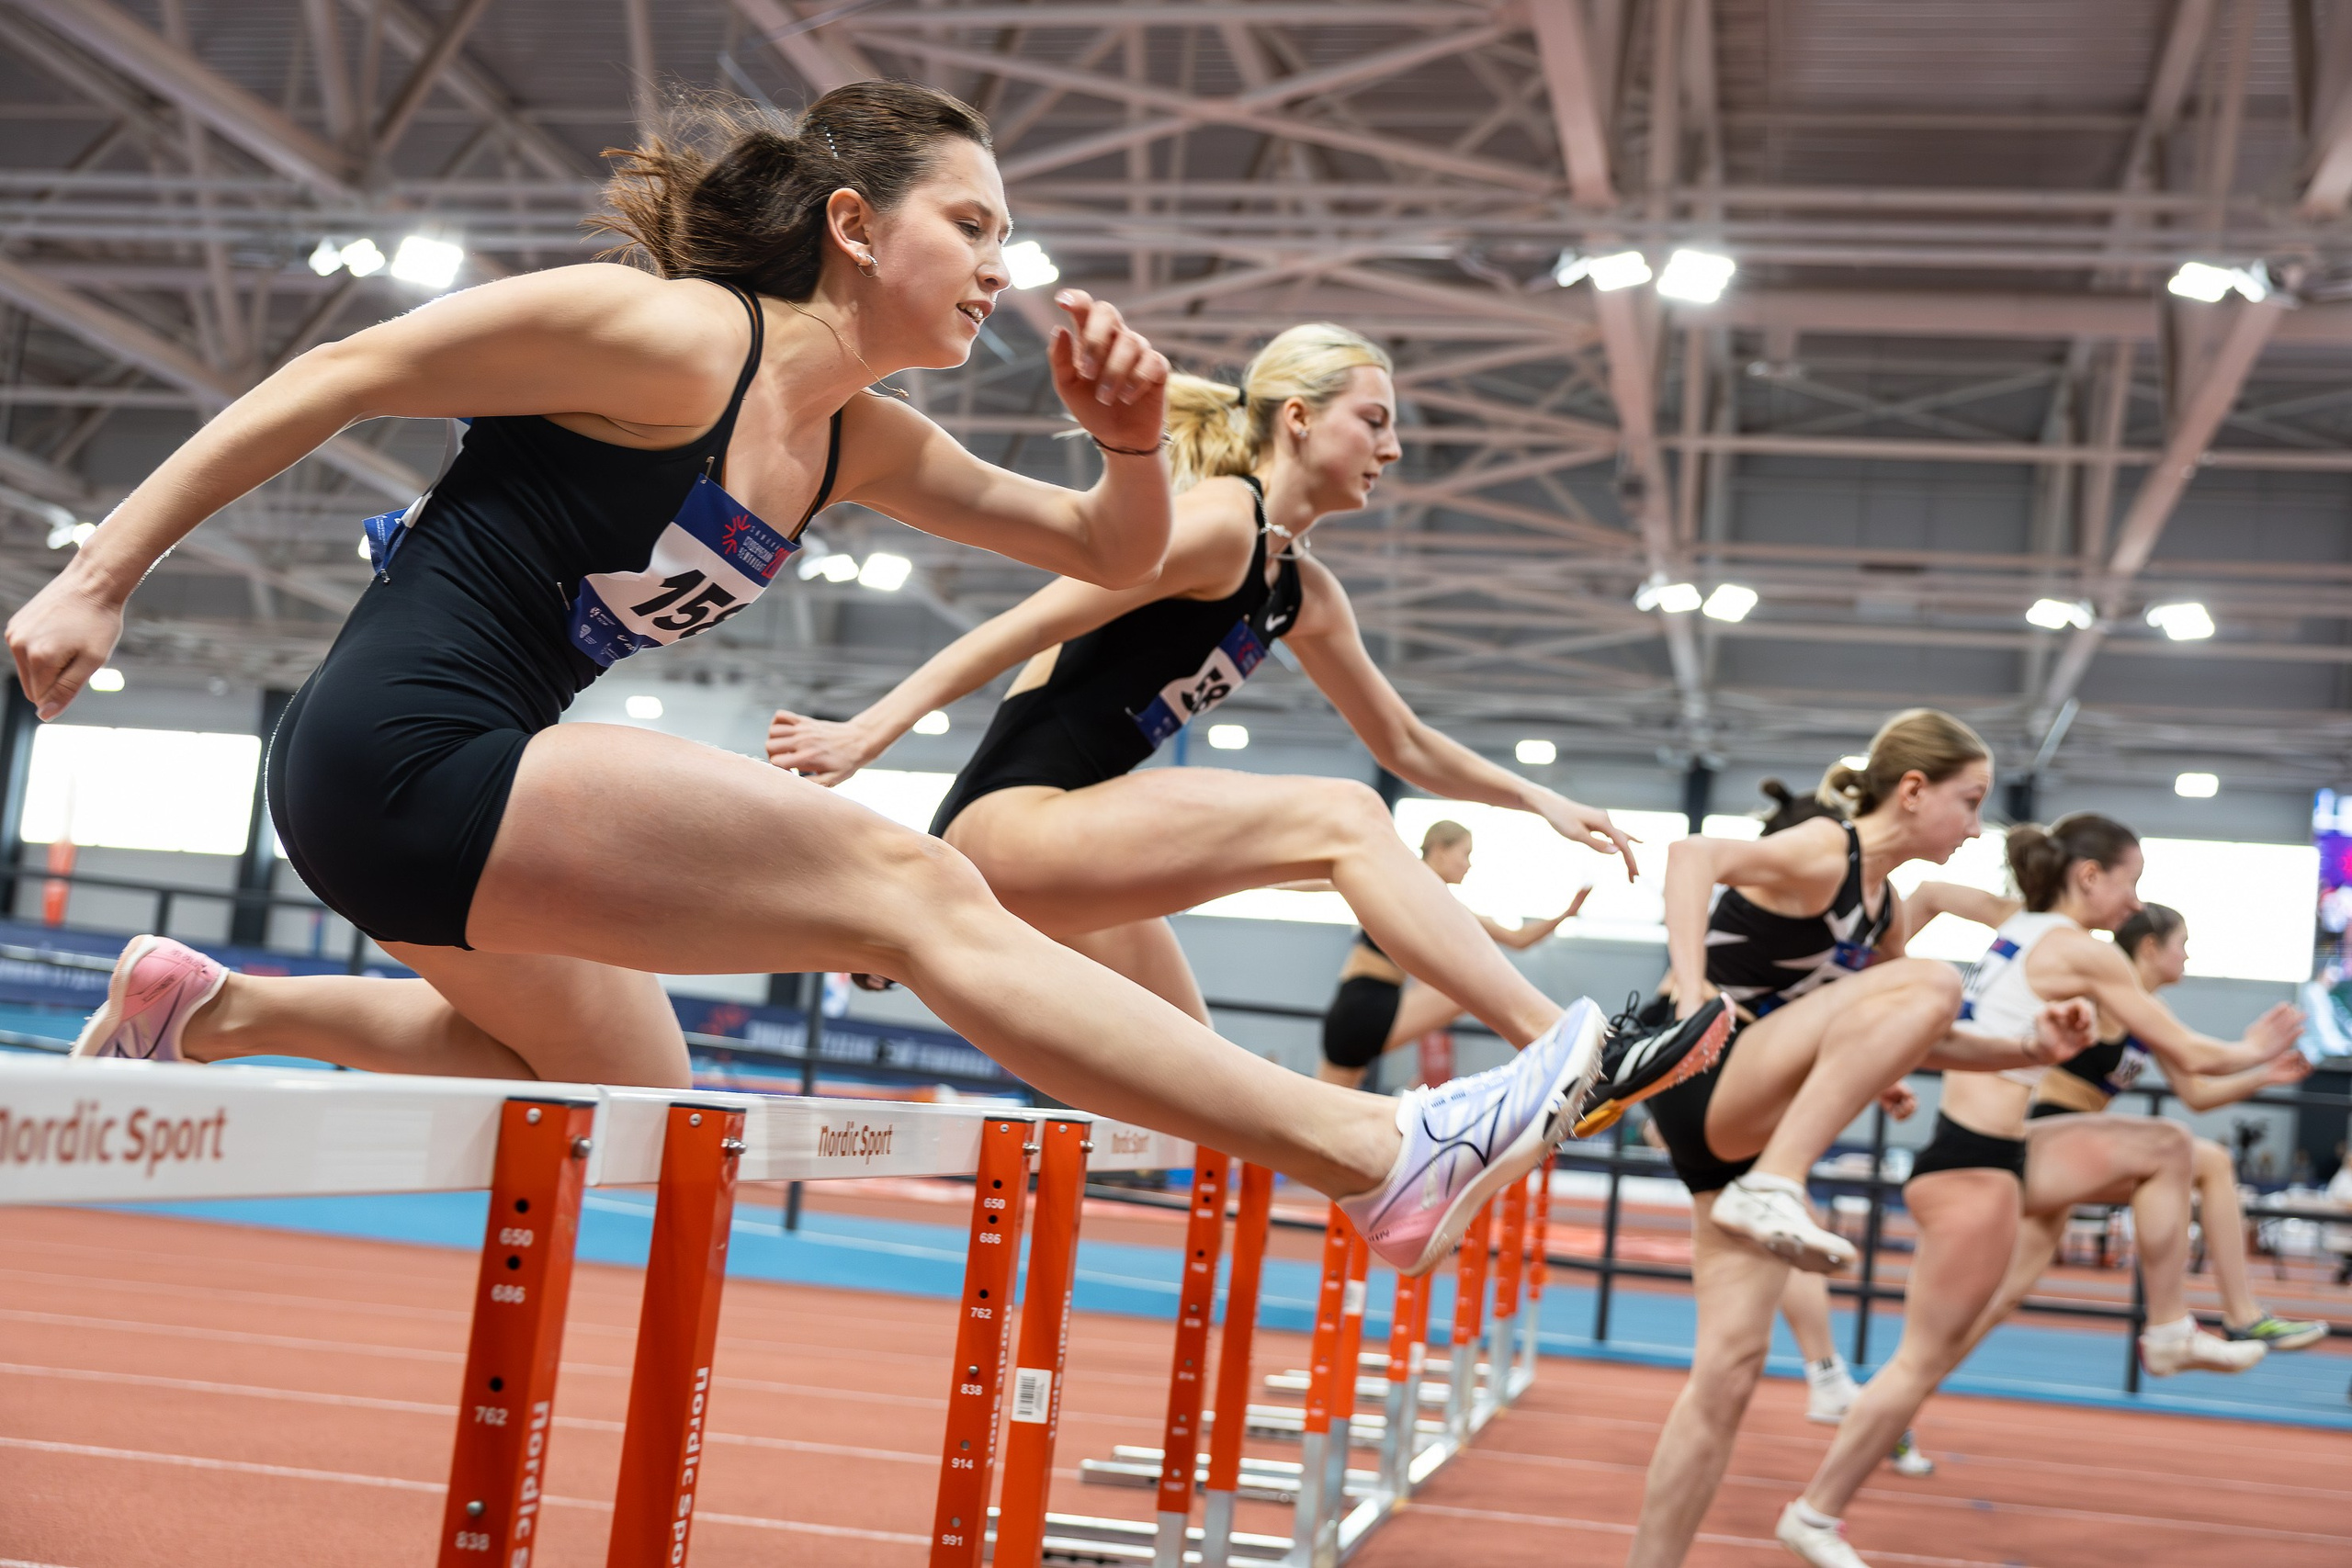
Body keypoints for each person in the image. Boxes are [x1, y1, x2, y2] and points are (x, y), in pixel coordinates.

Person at [25, 82, 1677, 1279]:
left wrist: (1120, 444)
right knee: (911, 879)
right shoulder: (673, 337)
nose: (997, 266)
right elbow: (343, 371)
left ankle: (219, 1007)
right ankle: (1381, 1155)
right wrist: (103, 576)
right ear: (850, 226)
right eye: (972, 225)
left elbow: (1105, 551)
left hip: (448, 787)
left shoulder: (857, 438)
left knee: (628, 1098)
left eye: (1010, 239)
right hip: (405, 747)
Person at [765, 321, 1732, 1178]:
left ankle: (1384, 1173)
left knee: (1209, 1082)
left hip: (1064, 841)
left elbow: (1405, 743)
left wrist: (1539, 803)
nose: (1392, 450)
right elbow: (1025, 624)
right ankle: (1569, 1052)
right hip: (1010, 827)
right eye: (1376, 420)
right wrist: (867, 730)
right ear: (1301, 418)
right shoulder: (1220, 521)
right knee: (1343, 816)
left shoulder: (1296, 590)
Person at [1623, 715, 2097, 1568]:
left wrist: (2030, 1050)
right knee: (1933, 980)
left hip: (1734, 1124)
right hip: (1700, 1074)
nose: (1977, 827)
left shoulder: (1877, 909)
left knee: (1728, 1377)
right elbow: (1692, 856)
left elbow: (1926, 1027)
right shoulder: (1822, 850)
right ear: (1913, 791)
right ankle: (1779, 1180)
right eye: (1970, 802)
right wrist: (1693, 990)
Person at [1777, 816, 2303, 1568]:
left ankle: (2168, 1328)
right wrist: (2255, 1048)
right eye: (2133, 880)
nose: (2136, 900)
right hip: (1976, 1166)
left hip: (1990, 1154)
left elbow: (1923, 894)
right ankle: (1814, 1512)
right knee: (1923, 1361)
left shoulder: (2019, 924)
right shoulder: (2077, 949)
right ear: (2090, 876)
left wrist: (1880, 969)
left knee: (2165, 1152)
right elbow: (2188, 1052)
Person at [2020, 902, 2324, 1349]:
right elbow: (2199, 1055)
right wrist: (2253, 1050)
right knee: (2209, 1161)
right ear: (2149, 947)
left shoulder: (2147, 1011)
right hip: (2050, 1137)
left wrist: (2263, 1075)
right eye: (2183, 945)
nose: (2187, 956)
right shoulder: (2099, 992)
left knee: (1999, 1294)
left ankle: (2210, 1316)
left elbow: (2196, 1094)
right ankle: (2229, 1316)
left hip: (2087, 1147)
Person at [1318, 818, 1588, 1089]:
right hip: (1362, 1006)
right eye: (1465, 854)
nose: (1468, 864)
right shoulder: (1403, 880)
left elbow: (1516, 939)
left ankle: (1548, 1051)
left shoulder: (1444, 904)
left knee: (1325, 1118)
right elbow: (1336, 878)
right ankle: (1550, 1051)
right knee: (1474, 984)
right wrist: (1278, 876)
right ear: (1439, 850)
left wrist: (1565, 915)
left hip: (1369, 1010)